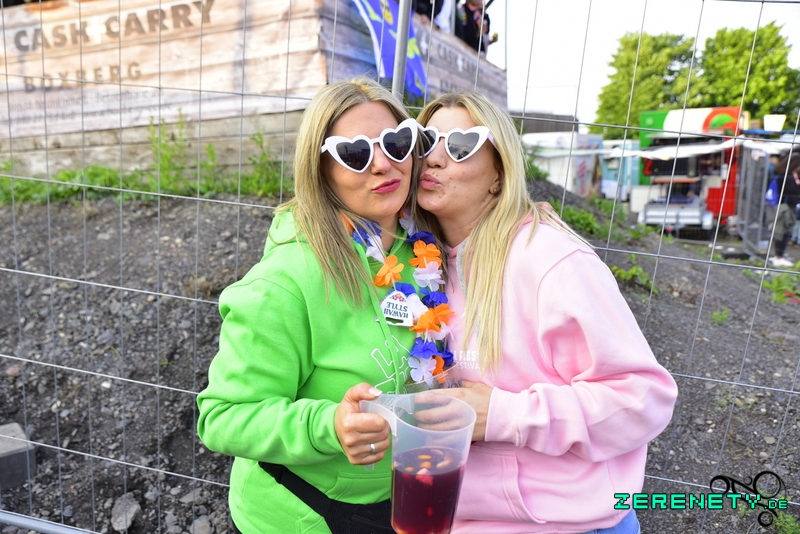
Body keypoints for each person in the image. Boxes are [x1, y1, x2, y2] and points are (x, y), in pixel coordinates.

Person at [412, 92, 679, 533]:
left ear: (500, 173)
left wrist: (503, 415)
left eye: (459, 145)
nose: (434, 158)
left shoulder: (551, 261)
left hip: (566, 522)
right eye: (424, 142)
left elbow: (643, 399)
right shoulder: (420, 264)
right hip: (459, 516)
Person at [196, 77, 437, 533]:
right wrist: (329, 425)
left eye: (396, 142)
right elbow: (222, 417)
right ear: (321, 170)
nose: (383, 164)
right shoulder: (283, 283)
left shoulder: (420, 247)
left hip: (399, 497)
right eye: (355, 153)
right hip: (305, 514)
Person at [769, 153, 800, 267]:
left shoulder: (785, 173)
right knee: (783, 232)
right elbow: (790, 190)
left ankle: (779, 255)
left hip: (785, 206)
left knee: (783, 231)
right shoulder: (788, 175)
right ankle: (779, 257)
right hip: (785, 207)